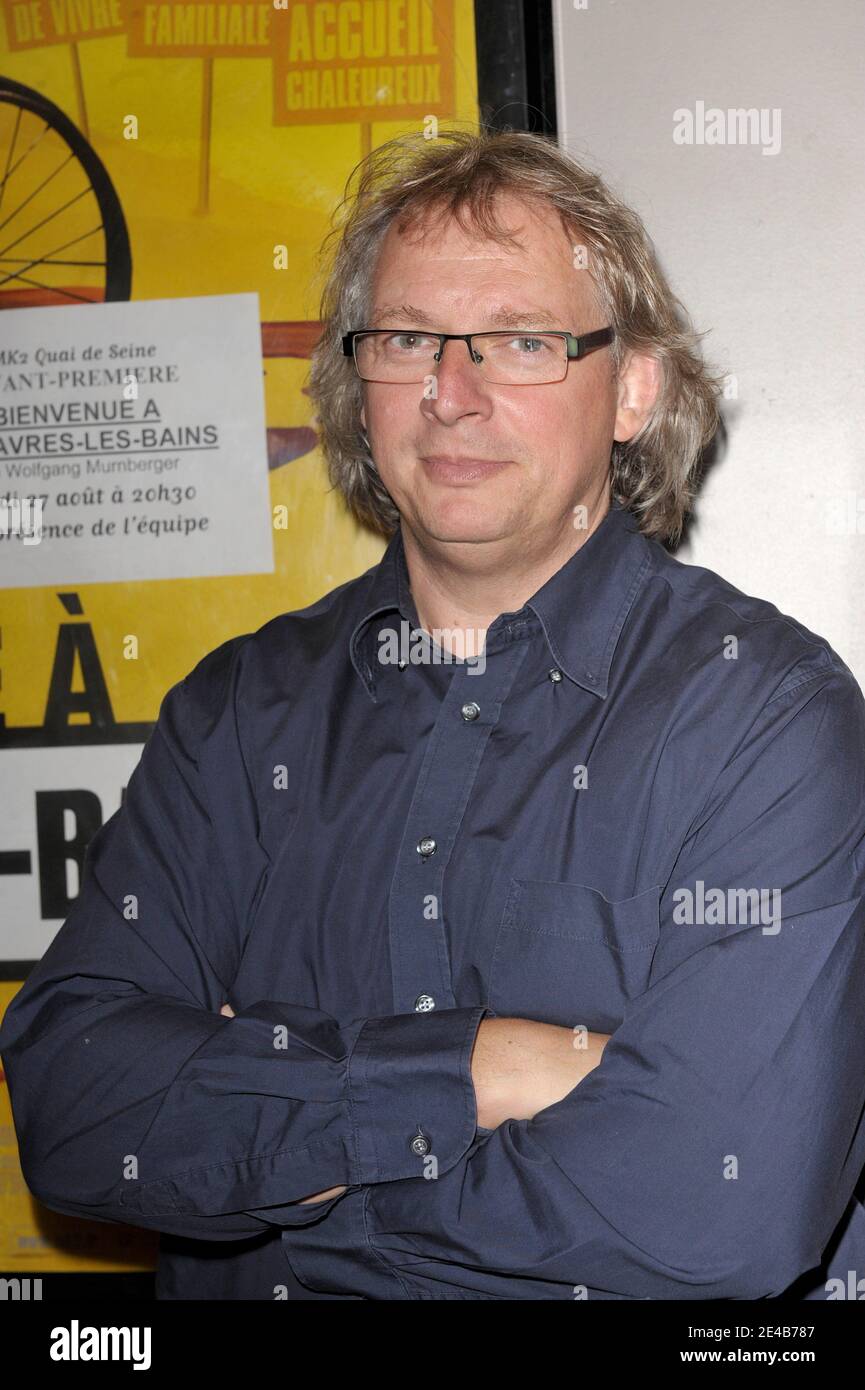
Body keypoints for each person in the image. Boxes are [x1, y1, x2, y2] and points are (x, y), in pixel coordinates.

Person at [2, 128, 865, 1301]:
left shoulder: (765, 718)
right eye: (406, 338)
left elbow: (720, 1211)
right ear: (360, 383)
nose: (450, 395)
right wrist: (479, 1067)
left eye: (519, 341)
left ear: (633, 388)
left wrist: (270, 1167)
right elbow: (74, 1104)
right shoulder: (240, 713)